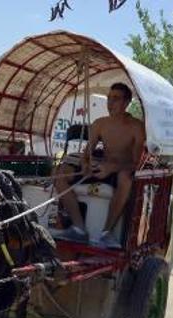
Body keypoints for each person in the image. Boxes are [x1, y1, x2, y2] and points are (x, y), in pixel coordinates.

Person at [52, 82, 146, 249]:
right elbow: (87, 153)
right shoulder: (100, 123)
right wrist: (86, 164)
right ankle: (79, 228)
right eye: (109, 98)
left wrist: (112, 168)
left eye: (116, 99)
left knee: (125, 178)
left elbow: (136, 163)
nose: (110, 103)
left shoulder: (136, 127)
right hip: (101, 168)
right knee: (60, 173)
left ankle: (106, 233)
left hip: (120, 171)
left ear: (126, 103)